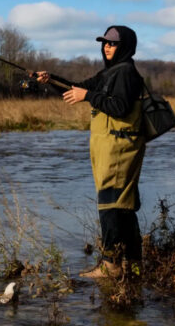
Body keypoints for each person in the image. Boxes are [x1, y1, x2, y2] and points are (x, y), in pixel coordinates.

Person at [35, 25, 145, 278]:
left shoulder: (126, 72)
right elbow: (76, 89)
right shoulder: (110, 73)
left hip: (120, 148)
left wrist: (89, 96)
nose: (107, 47)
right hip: (110, 147)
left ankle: (111, 266)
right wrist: (50, 79)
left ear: (125, 46)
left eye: (113, 43)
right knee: (123, 206)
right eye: (104, 42)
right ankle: (134, 265)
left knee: (111, 204)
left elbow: (119, 107)